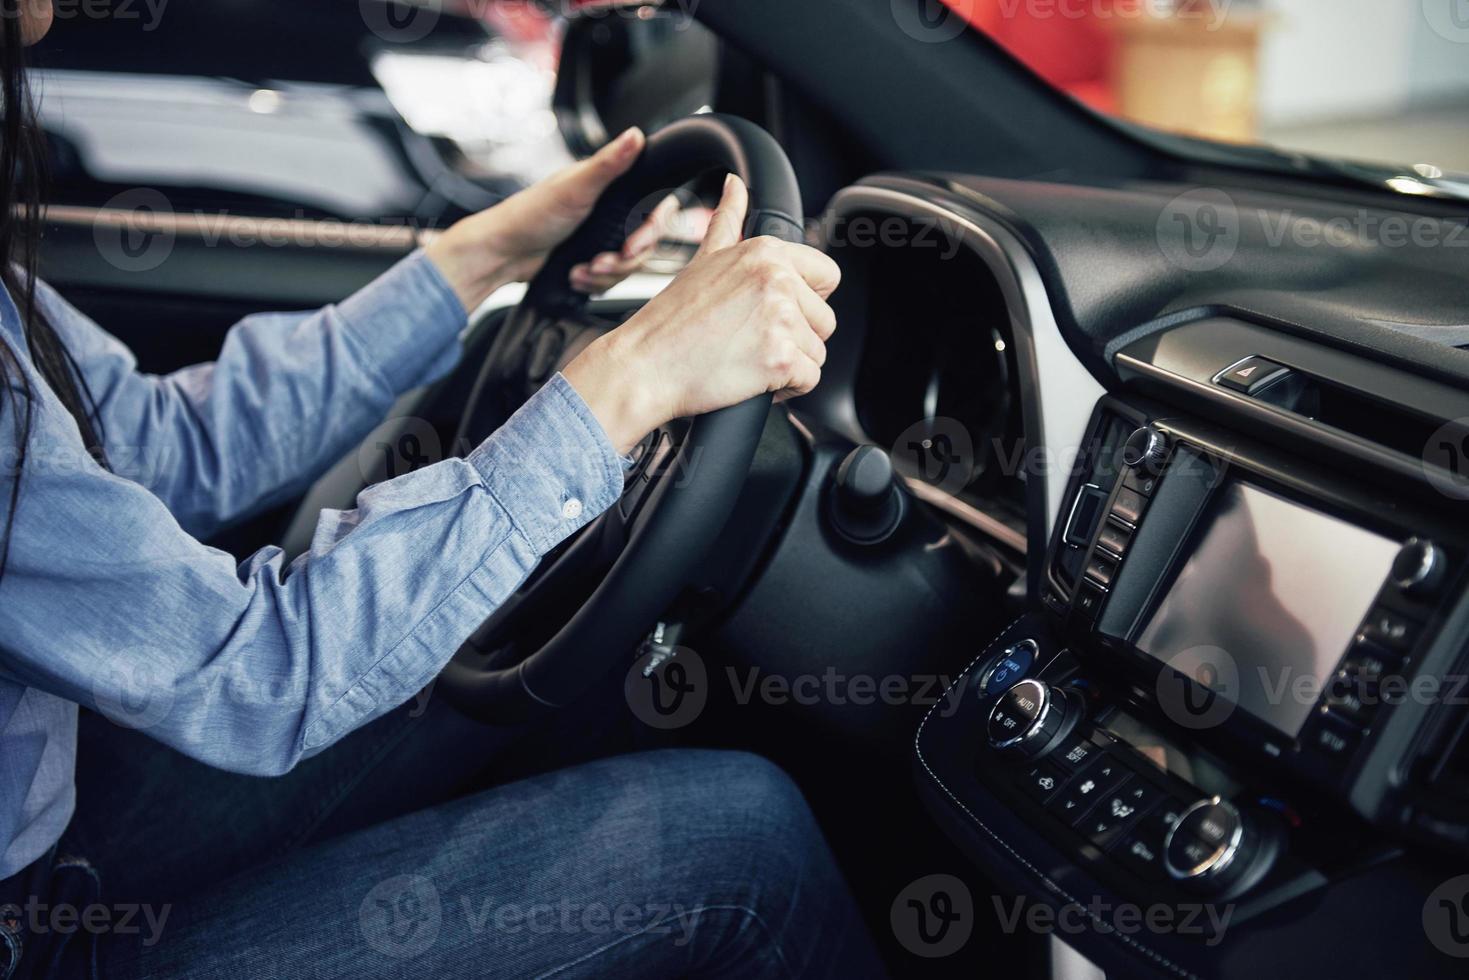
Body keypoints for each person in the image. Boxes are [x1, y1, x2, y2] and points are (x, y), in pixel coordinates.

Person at [0, 1, 883, 977]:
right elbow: (259, 675)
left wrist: (486, 254)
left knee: (506, 663)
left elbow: (159, 446)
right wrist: (628, 379)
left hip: (61, 821)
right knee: (747, 841)